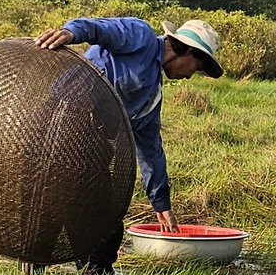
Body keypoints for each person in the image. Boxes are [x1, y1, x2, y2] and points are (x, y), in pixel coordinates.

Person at [33, 16, 223, 235]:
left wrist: (161, 205)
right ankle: (33, 263)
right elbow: (99, 28)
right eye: (196, 67)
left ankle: (94, 269)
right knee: (48, 209)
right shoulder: (141, 36)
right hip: (59, 123)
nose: (190, 76)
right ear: (189, 52)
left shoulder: (152, 98)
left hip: (92, 153)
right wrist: (70, 33)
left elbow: (151, 153)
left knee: (105, 228)